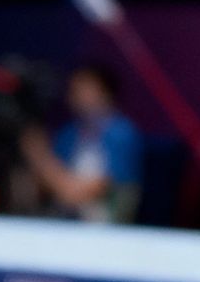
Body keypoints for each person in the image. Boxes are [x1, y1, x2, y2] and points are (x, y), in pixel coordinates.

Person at [17, 61, 143, 225]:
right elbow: (45, 188)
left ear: (105, 93)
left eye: (82, 90)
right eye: (72, 90)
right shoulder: (68, 134)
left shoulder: (121, 135)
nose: (74, 97)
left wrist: (37, 154)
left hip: (107, 230)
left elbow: (72, 193)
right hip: (62, 224)